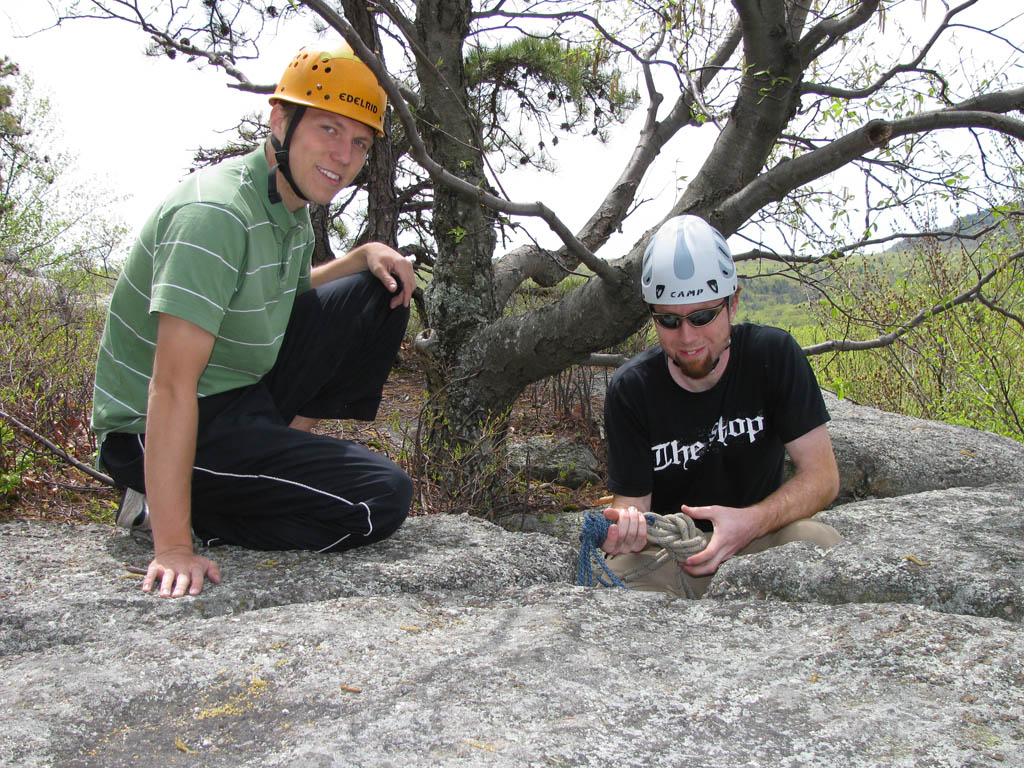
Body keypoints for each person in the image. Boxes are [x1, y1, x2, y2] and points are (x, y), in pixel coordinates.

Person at [91, 42, 416, 599]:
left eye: (359, 143)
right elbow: (170, 387)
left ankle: (267, 464)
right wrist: (173, 546)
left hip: (237, 397)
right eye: (329, 130)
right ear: (280, 119)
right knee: (379, 498)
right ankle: (168, 509)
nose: (343, 155)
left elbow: (287, 293)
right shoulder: (215, 215)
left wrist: (362, 256)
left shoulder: (287, 208)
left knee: (378, 290)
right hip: (154, 428)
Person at [599, 214, 841, 598]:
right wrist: (626, 530)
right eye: (668, 320)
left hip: (760, 535)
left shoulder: (773, 357)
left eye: (702, 316)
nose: (687, 337)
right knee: (617, 584)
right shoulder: (633, 389)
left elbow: (823, 476)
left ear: (733, 304)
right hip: (675, 552)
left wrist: (752, 521)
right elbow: (634, 505)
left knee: (818, 542)